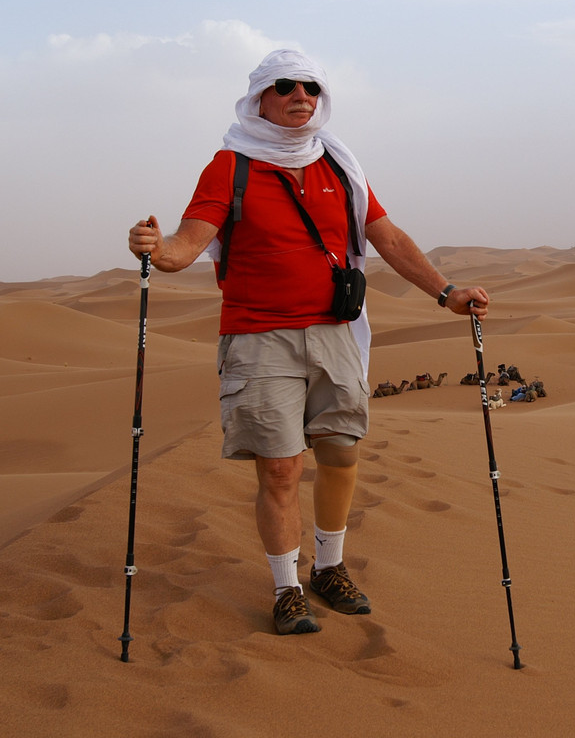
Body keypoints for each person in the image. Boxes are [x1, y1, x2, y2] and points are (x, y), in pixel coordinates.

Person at [127, 49, 489, 636]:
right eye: (286, 86)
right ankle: (286, 586)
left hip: (337, 331)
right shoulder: (230, 166)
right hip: (259, 335)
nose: (302, 96)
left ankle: (329, 567)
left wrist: (444, 291)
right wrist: (155, 249)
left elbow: (388, 238)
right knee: (280, 469)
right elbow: (187, 245)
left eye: (311, 87)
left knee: (341, 451)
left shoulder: (340, 166)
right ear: (260, 99)